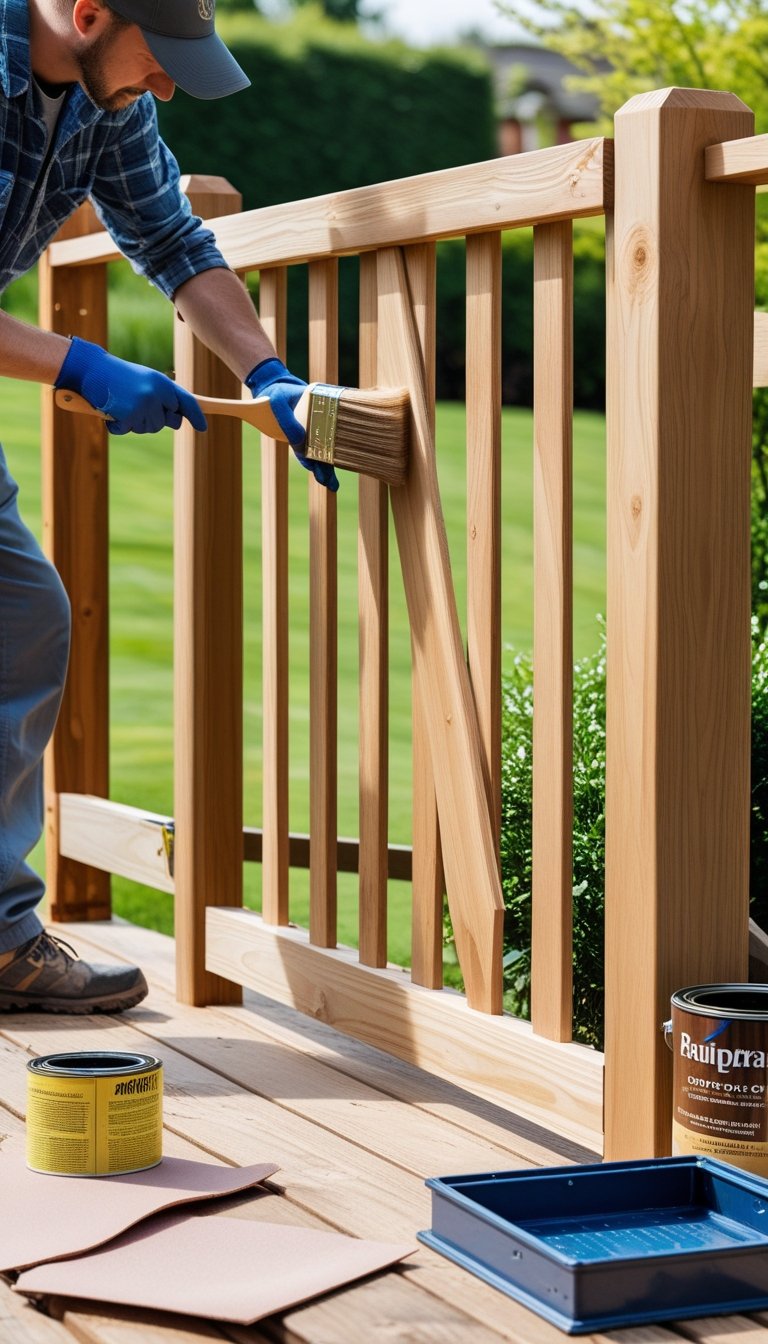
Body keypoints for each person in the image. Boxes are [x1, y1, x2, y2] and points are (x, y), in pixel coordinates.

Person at [0, 0, 336, 1014]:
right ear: (90, 12)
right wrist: (81, 362)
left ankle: (1, 942)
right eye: (160, 60)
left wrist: (271, 371)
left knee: (22, 616)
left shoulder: (107, 105)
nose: (168, 85)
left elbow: (175, 239)